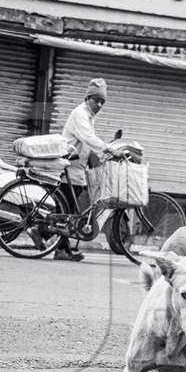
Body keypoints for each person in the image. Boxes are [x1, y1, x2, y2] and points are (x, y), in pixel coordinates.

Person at [54, 77, 120, 261]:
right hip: (69, 166)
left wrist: (101, 155)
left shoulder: (89, 116)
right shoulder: (80, 114)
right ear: (87, 99)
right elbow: (88, 138)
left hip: (77, 168)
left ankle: (61, 246)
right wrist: (108, 148)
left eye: (102, 102)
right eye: (96, 100)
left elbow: (89, 141)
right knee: (68, 211)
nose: (99, 104)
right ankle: (58, 247)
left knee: (70, 210)